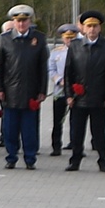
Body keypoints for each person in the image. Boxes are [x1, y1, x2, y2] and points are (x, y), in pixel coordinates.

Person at [0, 4, 47, 170]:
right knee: (10, 129)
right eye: (18, 21)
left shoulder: (38, 39)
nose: (22, 24)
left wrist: (42, 90)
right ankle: (11, 157)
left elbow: (42, 67)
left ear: (29, 21)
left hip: (31, 92)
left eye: (25, 21)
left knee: (29, 129)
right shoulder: (5, 39)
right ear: (14, 22)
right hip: (10, 91)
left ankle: (30, 159)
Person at [64, 11, 105, 172]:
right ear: (83, 28)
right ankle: (75, 160)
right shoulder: (75, 45)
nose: (92, 29)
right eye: (89, 26)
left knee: (99, 132)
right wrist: (68, 94)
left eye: (95, 26)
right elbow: (69, 72)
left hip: (99, 97)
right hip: (78, 97)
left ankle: (103, 161)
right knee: (77, 132)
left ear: (100, 28)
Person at [47, 24, 77, 157]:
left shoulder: (80, 50)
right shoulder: (56, 52)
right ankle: (56, 146)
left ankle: (75, 144)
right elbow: (51, 69)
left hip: (76, 90)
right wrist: (60, 80)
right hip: (60, 90)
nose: (69, 40)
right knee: (58, 120)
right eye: (67, 37)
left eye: (72, 37)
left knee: (75, 120)